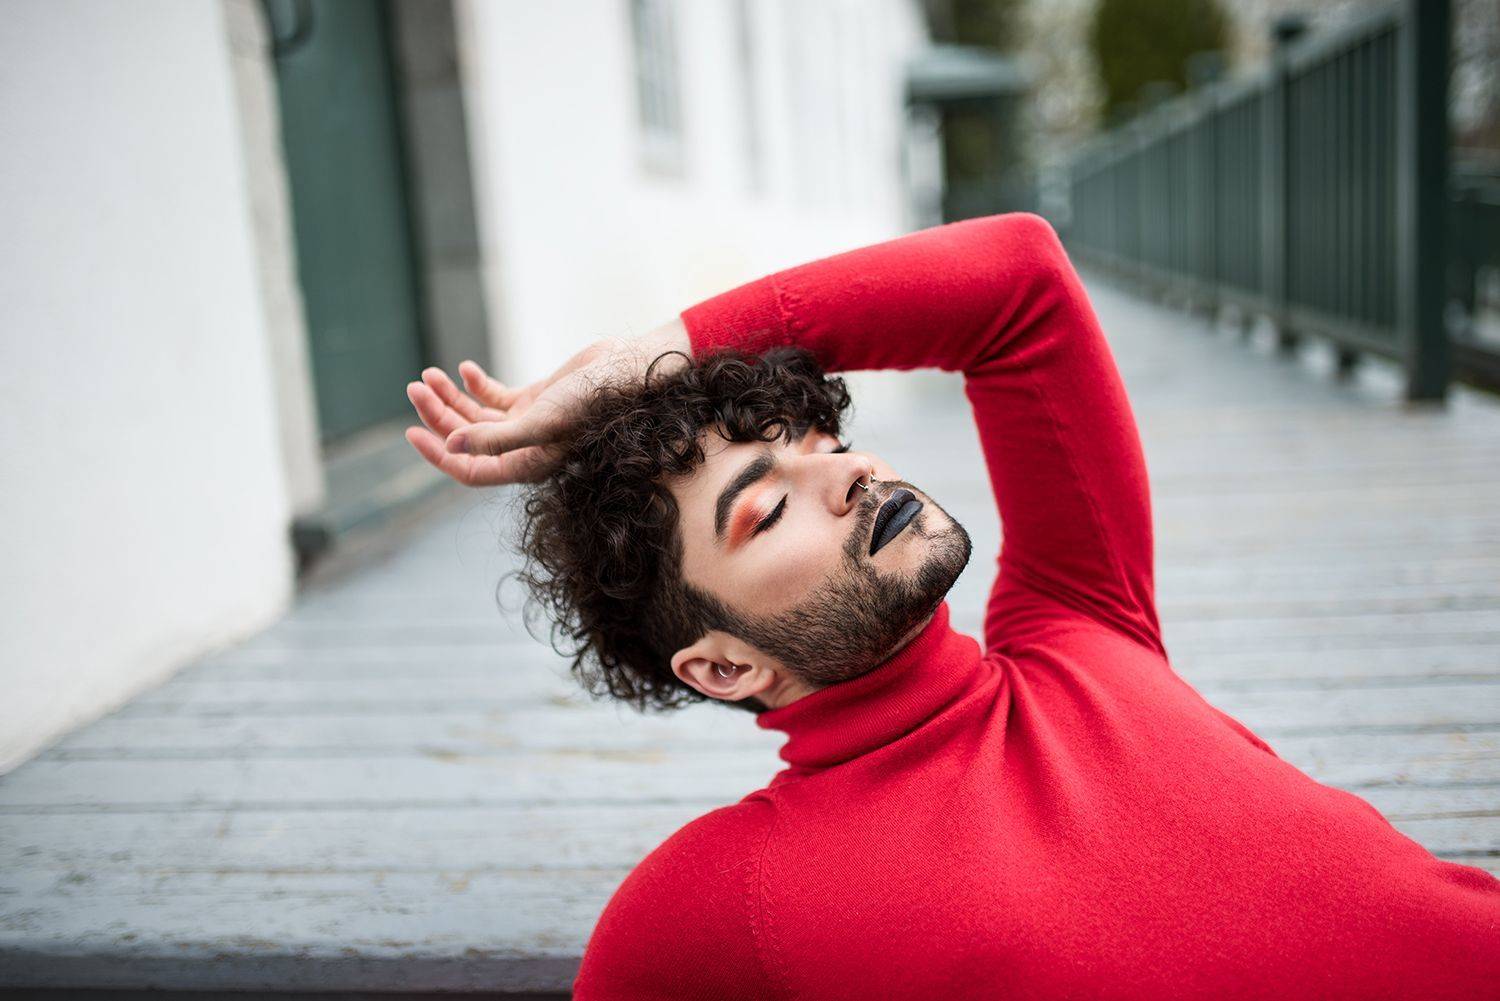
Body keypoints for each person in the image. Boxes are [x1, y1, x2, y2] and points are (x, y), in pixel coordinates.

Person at [405, 213, 1500, 999]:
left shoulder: (1084, 617)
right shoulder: (722, 895)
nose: (848, 472)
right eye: (766, 508)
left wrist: (657, 354)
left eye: (823, 440)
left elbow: (1017, 279)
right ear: (725, 665)